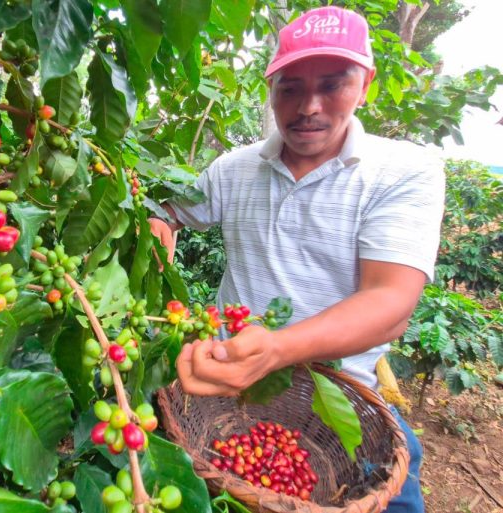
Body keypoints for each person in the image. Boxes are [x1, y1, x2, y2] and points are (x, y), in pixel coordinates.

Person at [150, 6, 445, 513]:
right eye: (290, 88)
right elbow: (168, 210)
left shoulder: (403, 170)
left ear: (366, 85)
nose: (309, 106)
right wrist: (159, 229)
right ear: (271, 88)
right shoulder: (234, 169)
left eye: (332, 85)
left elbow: (390, 301)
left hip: (342, 406)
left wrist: (276, 349)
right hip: (227, 402)